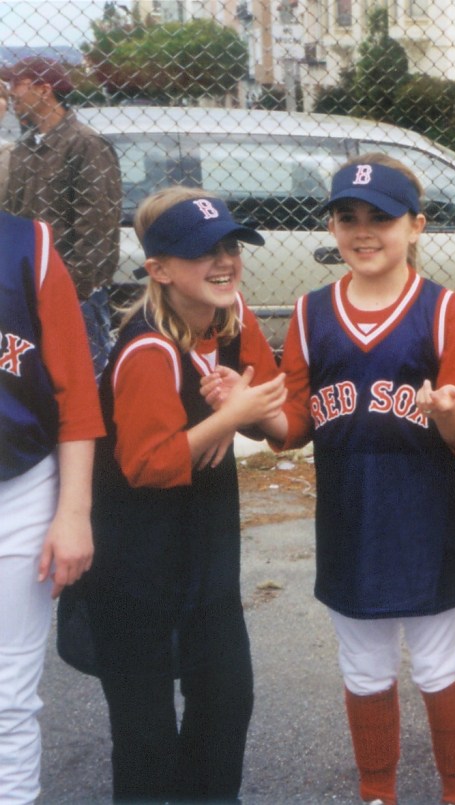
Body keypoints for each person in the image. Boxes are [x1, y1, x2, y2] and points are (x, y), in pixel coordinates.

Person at [274, 154, 455, 805]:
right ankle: (377, 791)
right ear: (333, 226)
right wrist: (254, 415)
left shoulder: (446, 311)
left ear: (417, 226)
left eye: (381, 218)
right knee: (364, 668)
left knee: (439, 664)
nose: (363, 231)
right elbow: (294, 423)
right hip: (349, 516)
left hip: (424, 518)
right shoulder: (311, 313)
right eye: (348, 217)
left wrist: (449, 413)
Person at [79, 187, 286, 801]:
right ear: (159, 270)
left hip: (205, 557)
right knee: (145, 736)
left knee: (225, 703)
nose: (223, 261)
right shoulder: (147, 348)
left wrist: (243, 409)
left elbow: (273, 410)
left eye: (230, 246)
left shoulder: (232, 320)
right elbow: (145, 465)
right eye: (202, 253)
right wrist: (224, 420)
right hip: (132, 563)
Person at [0, 211, 103, 803]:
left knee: (10, 698)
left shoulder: (28, 244)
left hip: (20, 489)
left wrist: (73, 512)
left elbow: (76, 393)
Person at [0, 57, 122, 379]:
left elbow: (97, 231)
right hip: (27, 294)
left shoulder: (86, 145)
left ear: (44, 90)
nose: (10, 94)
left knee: (82, 384)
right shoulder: (26, 149)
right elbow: (14, 220)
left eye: (17, 85)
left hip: (73, 299)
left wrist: (68, 292)